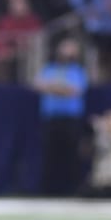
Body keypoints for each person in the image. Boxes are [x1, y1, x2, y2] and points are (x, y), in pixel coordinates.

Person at [33, 36, 89, 196]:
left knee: (71, 154)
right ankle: (47, 190)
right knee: (50, 154)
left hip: (70, 119)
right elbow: (38, 85)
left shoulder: (77, 71)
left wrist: (52, 88)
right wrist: (61, 89)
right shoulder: (49, 68)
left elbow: (75, 91)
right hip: (51, 119)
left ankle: (73, 189)